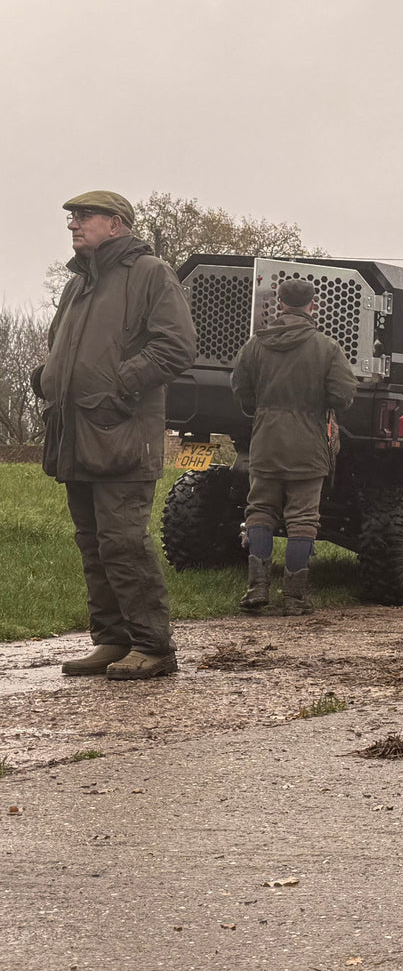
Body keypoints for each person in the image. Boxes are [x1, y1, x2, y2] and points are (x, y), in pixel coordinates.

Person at [35, 191, 196, 680]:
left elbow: (177, 347)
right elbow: (59, 344)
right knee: (92, 543)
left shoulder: (149, 273)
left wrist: (117, 387)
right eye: (71, 218)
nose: (73, 225)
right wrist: (48, 377)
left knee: (123, 543)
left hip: (123, 436)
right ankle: (111, 639)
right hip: (75, 435)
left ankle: (154, 647)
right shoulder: (77, 285)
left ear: (117, 223)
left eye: (84, 216)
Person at [231, 278, 356, 614]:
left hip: (266, 440)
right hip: (308, 444)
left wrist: (260, 411)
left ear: (280, 304)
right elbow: (343, 395)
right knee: (303, 519)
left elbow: (239, 386)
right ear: (312, 306)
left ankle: (257, 588)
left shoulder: (256, 344)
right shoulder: (326, 347)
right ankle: (294, 597)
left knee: (259, 511)